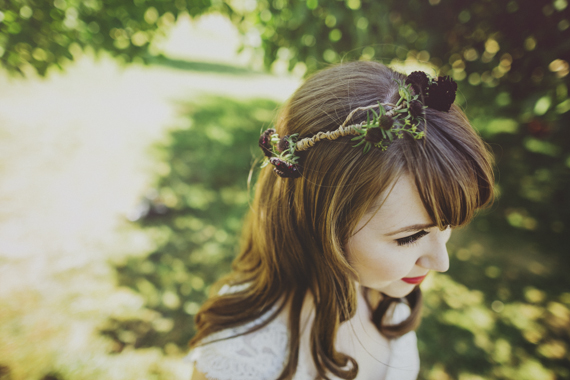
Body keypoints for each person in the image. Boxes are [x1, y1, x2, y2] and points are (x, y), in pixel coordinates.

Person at [185, 61, 494, 380]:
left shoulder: (383, 297)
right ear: (321, 222)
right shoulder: (241, 358)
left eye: (446, 226)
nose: (441, 261)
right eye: (408, 238)